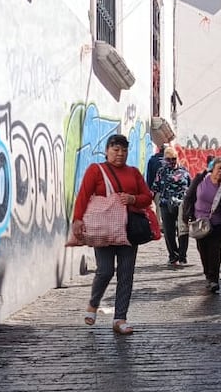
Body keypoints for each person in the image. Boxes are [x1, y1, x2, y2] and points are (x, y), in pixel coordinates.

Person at [71, 133, 153, 335]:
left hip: (128, 230)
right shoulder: (96, 170)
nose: (120, 154)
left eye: (124, 150)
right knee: (105, 270)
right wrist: (77, 219)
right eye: (116, 150)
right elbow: (83, 194)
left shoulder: (133, 172)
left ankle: (120, 318)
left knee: (126, 274)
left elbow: (147, 196)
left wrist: (133, 199)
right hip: (103, 229)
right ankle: (93, 303)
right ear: (107, 150)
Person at [181, 156, 221, 293]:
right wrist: (186, 216)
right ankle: (208, 274)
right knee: (203, 251)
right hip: (199, 223)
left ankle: (214, 279)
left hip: (218, 225)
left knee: (215, 252)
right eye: (219, 168)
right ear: (213, 168)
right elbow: (189, 198)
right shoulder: (200, 179)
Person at [151, 145, 191, 267]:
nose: (172, 161)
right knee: (168, 231)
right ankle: (173, 255)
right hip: (165, 203)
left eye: (173, 158)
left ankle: (183, 256)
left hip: (181, 204)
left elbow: (190, 186)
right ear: (164, 159)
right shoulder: (161, 172)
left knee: (182, 229)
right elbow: (155, 187)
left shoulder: (184, 171)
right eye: (168, 159)